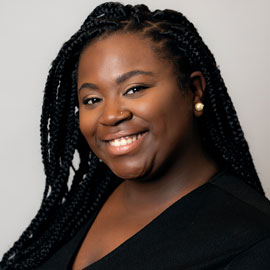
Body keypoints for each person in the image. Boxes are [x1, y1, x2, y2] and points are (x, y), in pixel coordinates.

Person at [1, 2, 270, 270]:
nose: (110, 115)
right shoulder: (81, 206)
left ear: (195, 91)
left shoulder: (254, 241)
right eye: (92, 99)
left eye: (134, 89)